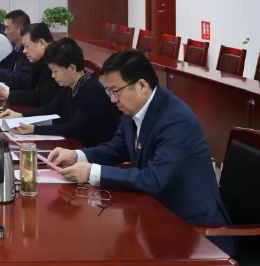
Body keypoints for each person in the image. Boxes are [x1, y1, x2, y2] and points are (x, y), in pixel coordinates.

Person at [47, 49, 233, 255]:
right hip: (155, 213)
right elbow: (117, 148)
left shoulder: (176, 120)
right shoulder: (133, 109)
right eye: (109, 92)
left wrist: (91, 172)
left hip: (194, 229)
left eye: (116, 91)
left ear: (142, 86)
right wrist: (76, 155)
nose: (113, 100)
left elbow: (153, 179)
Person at [0, 38, 120, 147]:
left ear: (72, 68)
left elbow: (74, 128)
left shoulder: (91, 90)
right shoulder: (70, 85)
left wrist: (35, 129)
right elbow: (51, 108)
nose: (53, 75)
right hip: (77, 144)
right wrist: (21, 115)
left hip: (94, 149)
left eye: (55, 71)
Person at [0, 23, 60, 107]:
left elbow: (41, 97)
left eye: (27, 46)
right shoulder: (38, 60)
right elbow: (29, 86)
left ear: (41, 43)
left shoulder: (56, 62)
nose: (24, 51)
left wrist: (5, 93)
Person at [0, 10, 31, 85]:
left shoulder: (29, 51)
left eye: (8, 29)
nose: (5, 32)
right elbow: (11, 70)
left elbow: (24, 78)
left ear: (21, 30)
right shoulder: (17, 48)